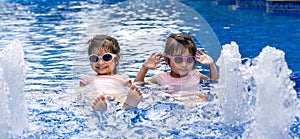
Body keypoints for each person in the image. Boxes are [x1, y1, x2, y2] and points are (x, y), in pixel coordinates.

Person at [134, 33, 219, 100]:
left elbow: (215, 82)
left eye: (189, 60)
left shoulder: (196, 75)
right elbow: (138, 85)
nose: (184, 64)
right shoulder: (161, 78)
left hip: (194, 103)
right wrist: (144, 68)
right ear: (167, 60)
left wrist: (211, 65)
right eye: (178, 60)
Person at [80, 35, 143, 111]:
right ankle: (101, 107)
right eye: (94, 58)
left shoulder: (123, 78)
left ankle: (128, 105)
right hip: (96, 98)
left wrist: (131, 92)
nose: (100, 62)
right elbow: (80, 95)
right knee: (90, 97)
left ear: (117, 59)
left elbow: (129, 91)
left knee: (122, 97)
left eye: (106, 57)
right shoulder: (87, 79)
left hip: (116, 98)